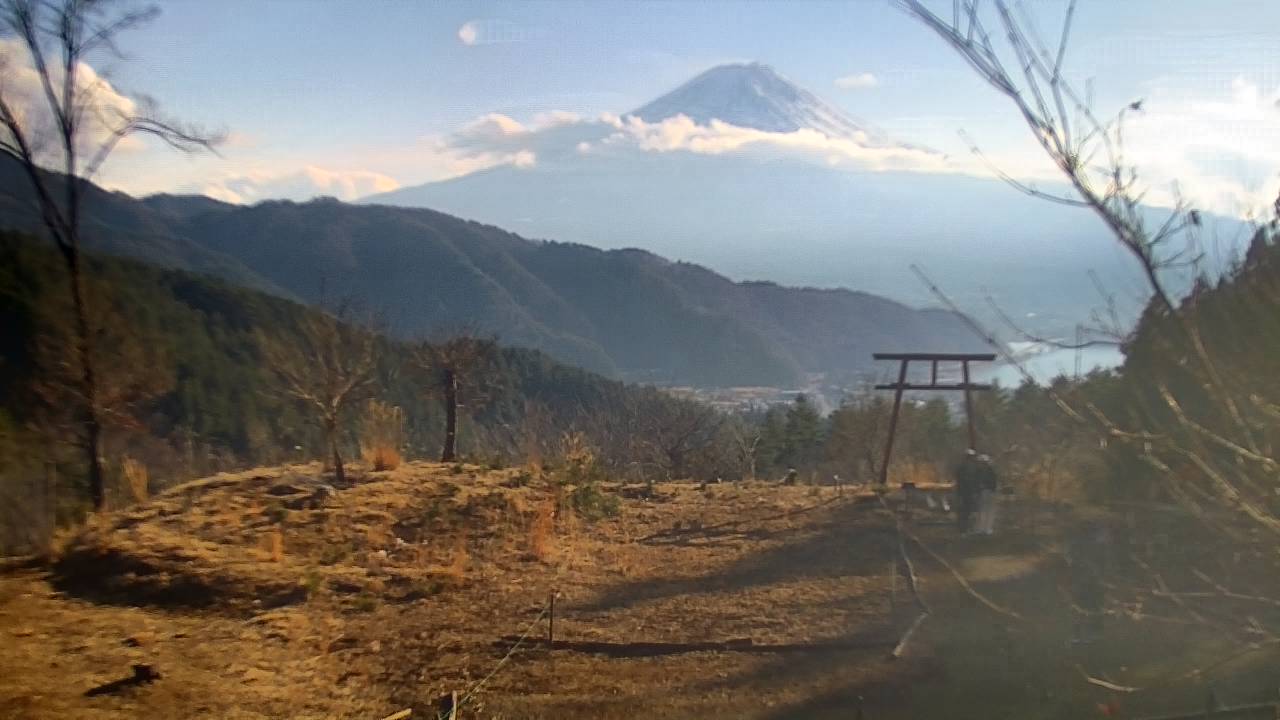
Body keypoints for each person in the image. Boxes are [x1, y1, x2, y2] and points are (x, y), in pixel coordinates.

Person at [953, 449, 979, 534]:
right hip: (963, 492)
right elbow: (959, 480)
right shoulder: (962, 468)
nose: (971, 459)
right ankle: (962, 529)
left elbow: (975, 481)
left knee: (969, 510)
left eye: (972, 457)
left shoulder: (973, 468)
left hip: (970, 492)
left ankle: (967, 528)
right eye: (970, 457)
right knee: (963, 511)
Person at [974, 453, 999, 535]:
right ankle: (983, 529)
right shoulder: (987, 471)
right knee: (983, 511)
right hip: (986, 492)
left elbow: (993, 482)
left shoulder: (988, 471)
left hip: (988, 492)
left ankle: (986, 529)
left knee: (987, 510)